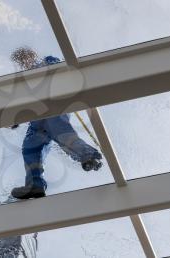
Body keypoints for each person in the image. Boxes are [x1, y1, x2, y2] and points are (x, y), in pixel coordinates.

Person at [10, 47, 103, 200]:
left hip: (54, 105)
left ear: (32, 56)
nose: (24, 62)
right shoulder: (23, 81)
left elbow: (59, 69)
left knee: (61, 133)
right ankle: (35, 185)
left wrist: (52, 67)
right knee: (30, 147)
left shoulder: (46, 61)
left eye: (25, 57)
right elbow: (21, 101)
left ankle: (89, 156)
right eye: (21, 61)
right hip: (36, 119)